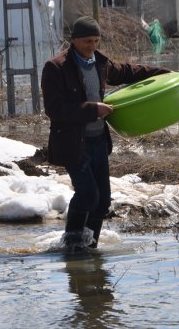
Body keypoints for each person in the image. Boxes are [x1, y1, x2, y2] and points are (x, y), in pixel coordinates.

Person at [41, 16, 170, 251]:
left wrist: (163, 73)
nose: (92, 46)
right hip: (73, 144)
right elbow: (55, 109)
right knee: (88, 195)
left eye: (96, 41)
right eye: (87, 41)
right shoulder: (56, 67)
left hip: (98, 141)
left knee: (102, 204)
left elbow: (129, 72)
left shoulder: (99, 63)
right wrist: (93, 109)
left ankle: (90, 246)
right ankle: (71, 242)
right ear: (74, 41)